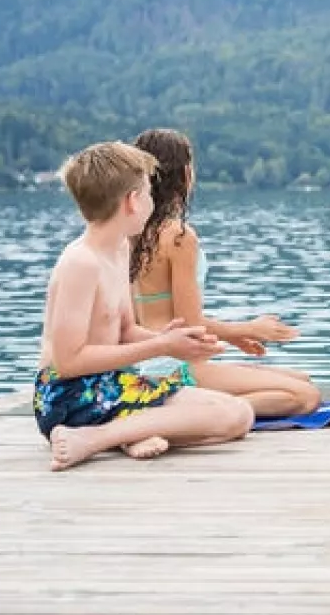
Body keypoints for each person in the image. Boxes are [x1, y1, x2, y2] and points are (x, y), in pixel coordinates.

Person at [34, 140, 254, 471]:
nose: (153, 201)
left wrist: (171, 342)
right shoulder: (80, 263)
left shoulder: (120, 250)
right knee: (220, 415)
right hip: (68, 397)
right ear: (133, 201)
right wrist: (159, 347)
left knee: (238, 414)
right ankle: (91, 439)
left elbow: (122, 331)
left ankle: (124, 433)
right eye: (149, 193)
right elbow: (68, 363)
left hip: (112, 384)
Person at [128, 129, 321, 419]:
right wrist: (247, 329)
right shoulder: (178, 236)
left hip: (148, 366)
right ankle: (186, 414)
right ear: (183, 174)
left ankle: (185, 408)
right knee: (305, 396)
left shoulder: (131, 235)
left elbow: (149, 318)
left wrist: (232, 337)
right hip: (178, 369)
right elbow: (188, 325)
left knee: (300, 379)